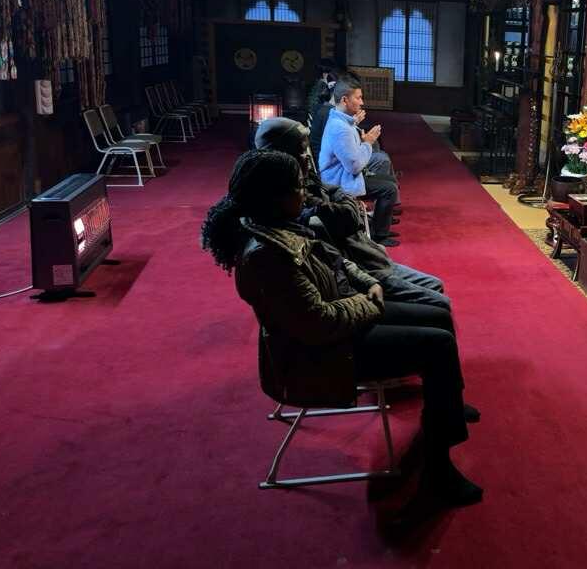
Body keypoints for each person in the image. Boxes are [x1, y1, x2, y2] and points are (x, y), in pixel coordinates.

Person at [201, 150, 482, 517]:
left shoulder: (280, 225)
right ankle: (438, 467)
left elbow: (337, 260)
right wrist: (370, 302)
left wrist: (368, 284)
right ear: (274, 197)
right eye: (297, 187)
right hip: (325, 353)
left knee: (439, 315)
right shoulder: (265, 255)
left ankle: (448, 405)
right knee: (438, 345)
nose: (304, 193)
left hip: (345, 318)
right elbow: (319, 322)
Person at [254, 117, 450, 312]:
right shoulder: (292, 204)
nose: (307, 157)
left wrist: (340, 197)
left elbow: (338, 195)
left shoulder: (306, 181)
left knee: (436, 285)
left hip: (369, 258)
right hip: (361, 268)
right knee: (440, 302)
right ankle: (381, 233)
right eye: (301, 152)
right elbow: (348, 215)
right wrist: (367, 144)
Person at [319, 79, 400, 244]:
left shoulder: (340, 119)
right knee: (389, 189)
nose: (362, 102)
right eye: (358, 97)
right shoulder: (340, 128)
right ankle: (379, 235)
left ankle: (378, 227)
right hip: (338, 182)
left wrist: (358, 130)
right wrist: (368, 143)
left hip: (343, 175)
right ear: (344, 100)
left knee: (390, 181)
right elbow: (354, 166)